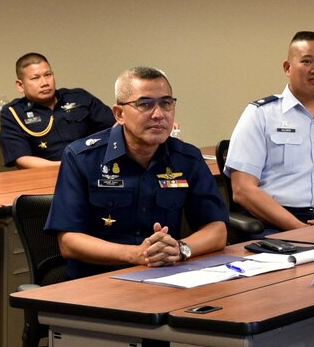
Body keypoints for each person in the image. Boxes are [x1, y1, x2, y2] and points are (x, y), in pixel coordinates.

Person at [46, 66, 227, 278]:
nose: (158, 114)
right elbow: (69, 242)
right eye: (145, 104)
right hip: (98, 281)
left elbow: (217, 230)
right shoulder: (82, 158)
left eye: (166, 103)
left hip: (166, 277)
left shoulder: (186, 158)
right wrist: (136, 255)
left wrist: (180, 248)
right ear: (119, 114)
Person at [223, 31, 314, 230]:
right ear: (288, 68)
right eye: (307, 62)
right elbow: (242, 189)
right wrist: (301, 230)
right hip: (273, 224)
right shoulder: (260, 114)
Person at [0, 52, 113, 167]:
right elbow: (21, 159)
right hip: (48, 175)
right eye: (35, 78)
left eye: (48, 75)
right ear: (20, 85)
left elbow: (115, 128)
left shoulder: (79, 97)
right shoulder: (13, 113)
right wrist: (68, 166)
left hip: (94, 167)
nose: (44, 83)